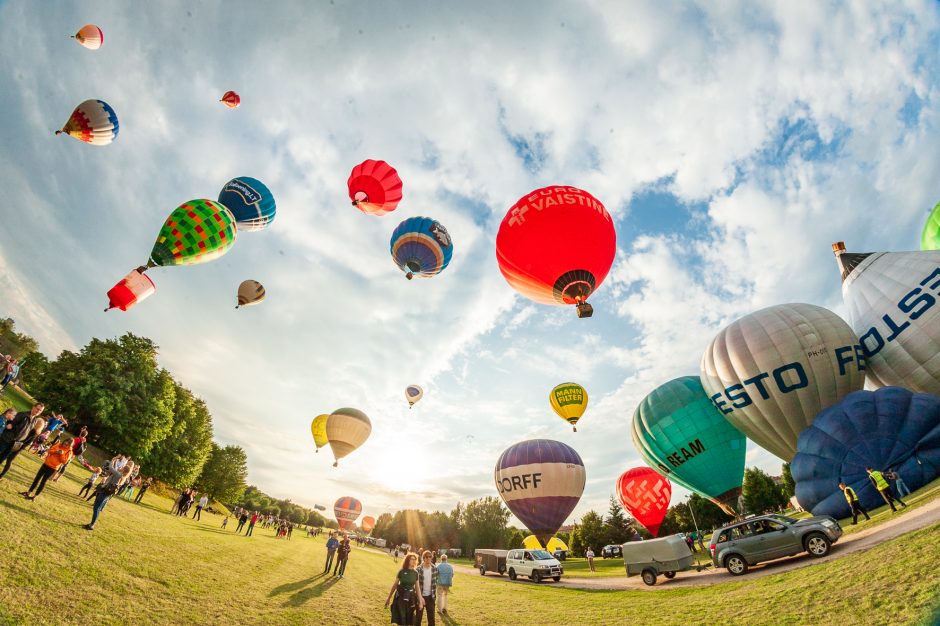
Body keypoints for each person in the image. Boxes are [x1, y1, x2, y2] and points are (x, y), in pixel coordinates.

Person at [0, 403, 46, 480]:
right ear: (33, 407)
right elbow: (10, 422)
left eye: (40, 410)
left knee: (1, 459)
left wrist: (21, 445)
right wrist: (10, 425)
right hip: (6, 439)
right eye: (37, 409)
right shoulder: (22, 414)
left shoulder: (34, 420)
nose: (38, 411)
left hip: (15, 444)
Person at [85, 462, 134, 531]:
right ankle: (91, 524)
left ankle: (91, 525)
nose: (121, 467)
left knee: (96, 508)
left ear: (124, 469)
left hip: (105, 493)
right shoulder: (120, 475)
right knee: (97, 508)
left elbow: (110, 467)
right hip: (106, 493)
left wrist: (113, 460)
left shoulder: (118, 474)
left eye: (123, 467)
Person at [385, 552, 420, 626]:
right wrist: (388, 598)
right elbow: (395, 585)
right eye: (412, 559)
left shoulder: (416, 573)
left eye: (415, 559)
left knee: (409, 619)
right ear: (407, 560)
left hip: (411, 598)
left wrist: (420, 599)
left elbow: (417, 587)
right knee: (401, 618)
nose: (414, 561)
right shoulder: (401, 571)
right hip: (400, 597)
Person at [415, 550, 438, 625]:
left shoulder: (435, 569)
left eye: (430, 556)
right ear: (423, 558)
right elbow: (415, 584)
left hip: (431, 597)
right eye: (426, 557)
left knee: (431, 620)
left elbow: (435, 581)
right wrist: (419, 597)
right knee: (418, 618)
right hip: (420, 597)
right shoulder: (418, 569)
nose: (428, 558)